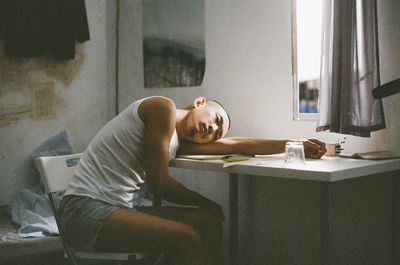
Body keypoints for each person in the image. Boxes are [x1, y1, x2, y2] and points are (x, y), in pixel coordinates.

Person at [59, 96, 326, 265]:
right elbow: (159, 183)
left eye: (215, 133)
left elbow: (238, 144)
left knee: (208, 222)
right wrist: (207, 202)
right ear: (200, 103)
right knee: (186, 237)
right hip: (83, 212)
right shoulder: (161, 108)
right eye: (215, 119)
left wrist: (295, 143)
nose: (212, 130)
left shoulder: (174, 141)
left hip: (115, 210)